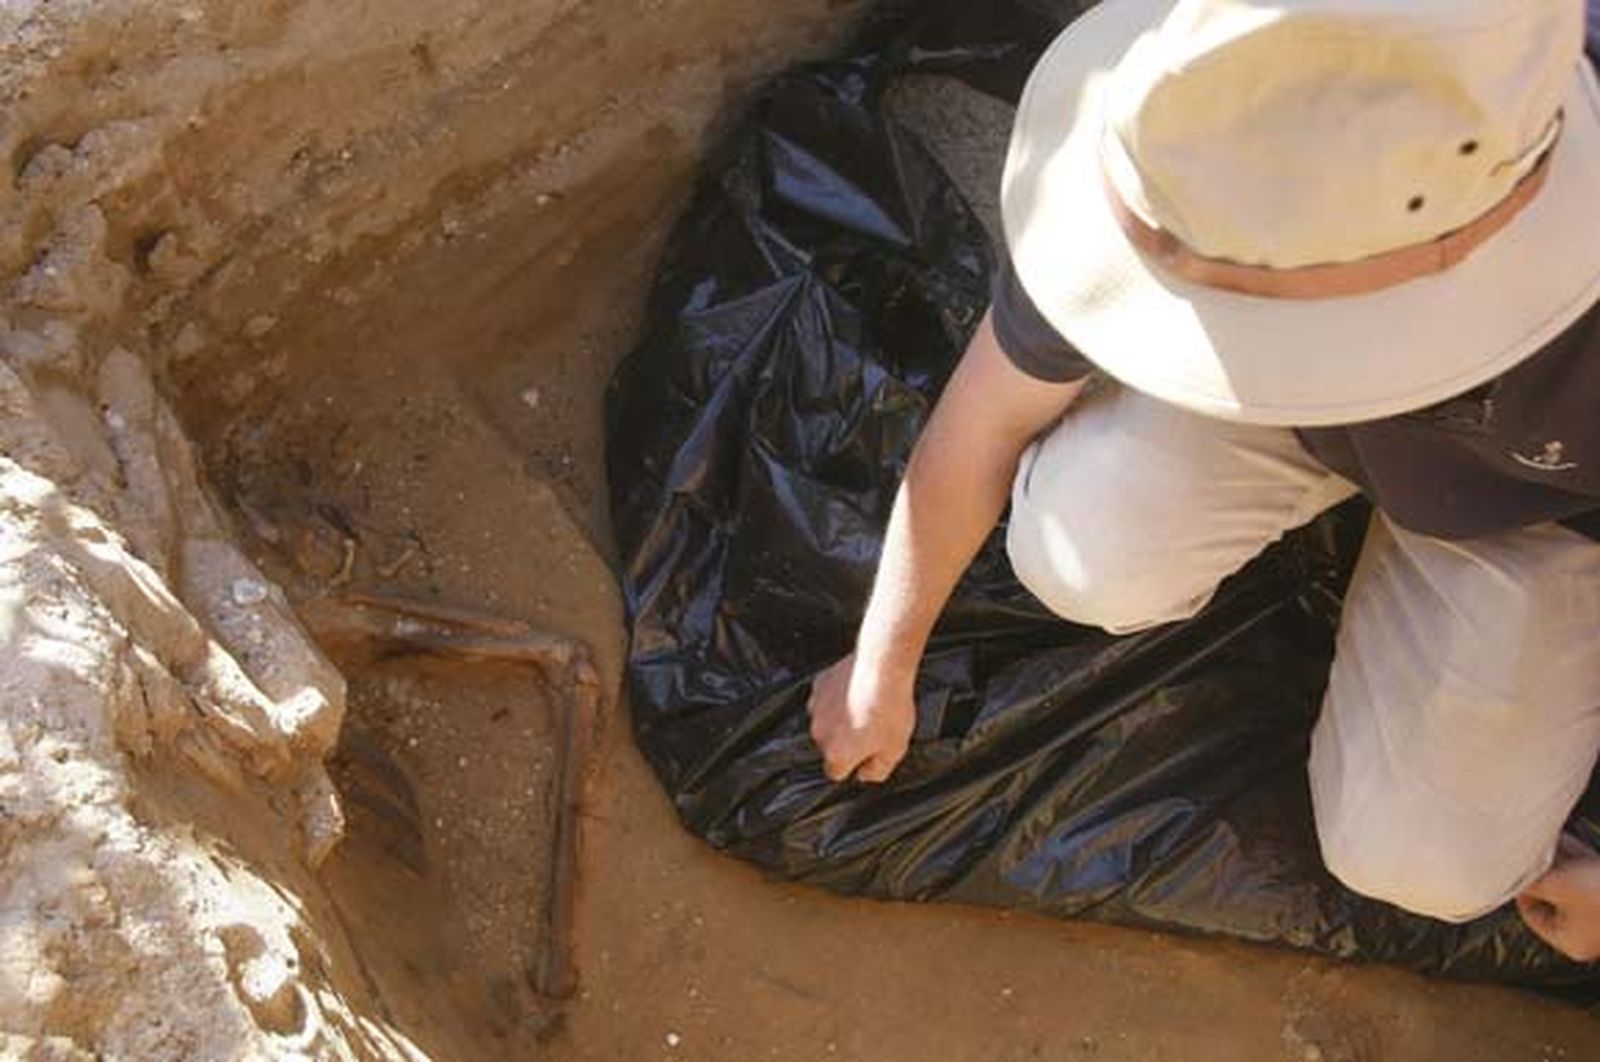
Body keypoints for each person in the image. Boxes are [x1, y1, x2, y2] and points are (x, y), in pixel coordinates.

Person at [807, 0, 1600, 963]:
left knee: (1424, 868)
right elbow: (986, 418)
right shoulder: (1212, 141)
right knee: (1085, 556)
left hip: (1540, 514)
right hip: (1289, 412)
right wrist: (881, 664)